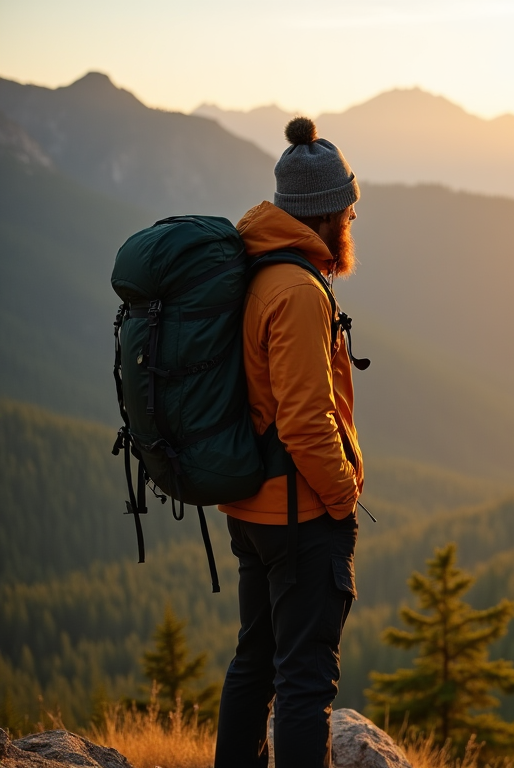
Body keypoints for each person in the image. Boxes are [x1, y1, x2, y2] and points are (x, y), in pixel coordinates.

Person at [214, 116, 364, 768]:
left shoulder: (259, 270)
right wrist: (342, 497)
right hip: (299, 515)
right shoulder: (300, 291)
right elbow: (306, 420)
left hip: (253, 508)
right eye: (349, 209)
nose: (354, 220)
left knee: (254, 665)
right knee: (305, 683)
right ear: (327, 215)